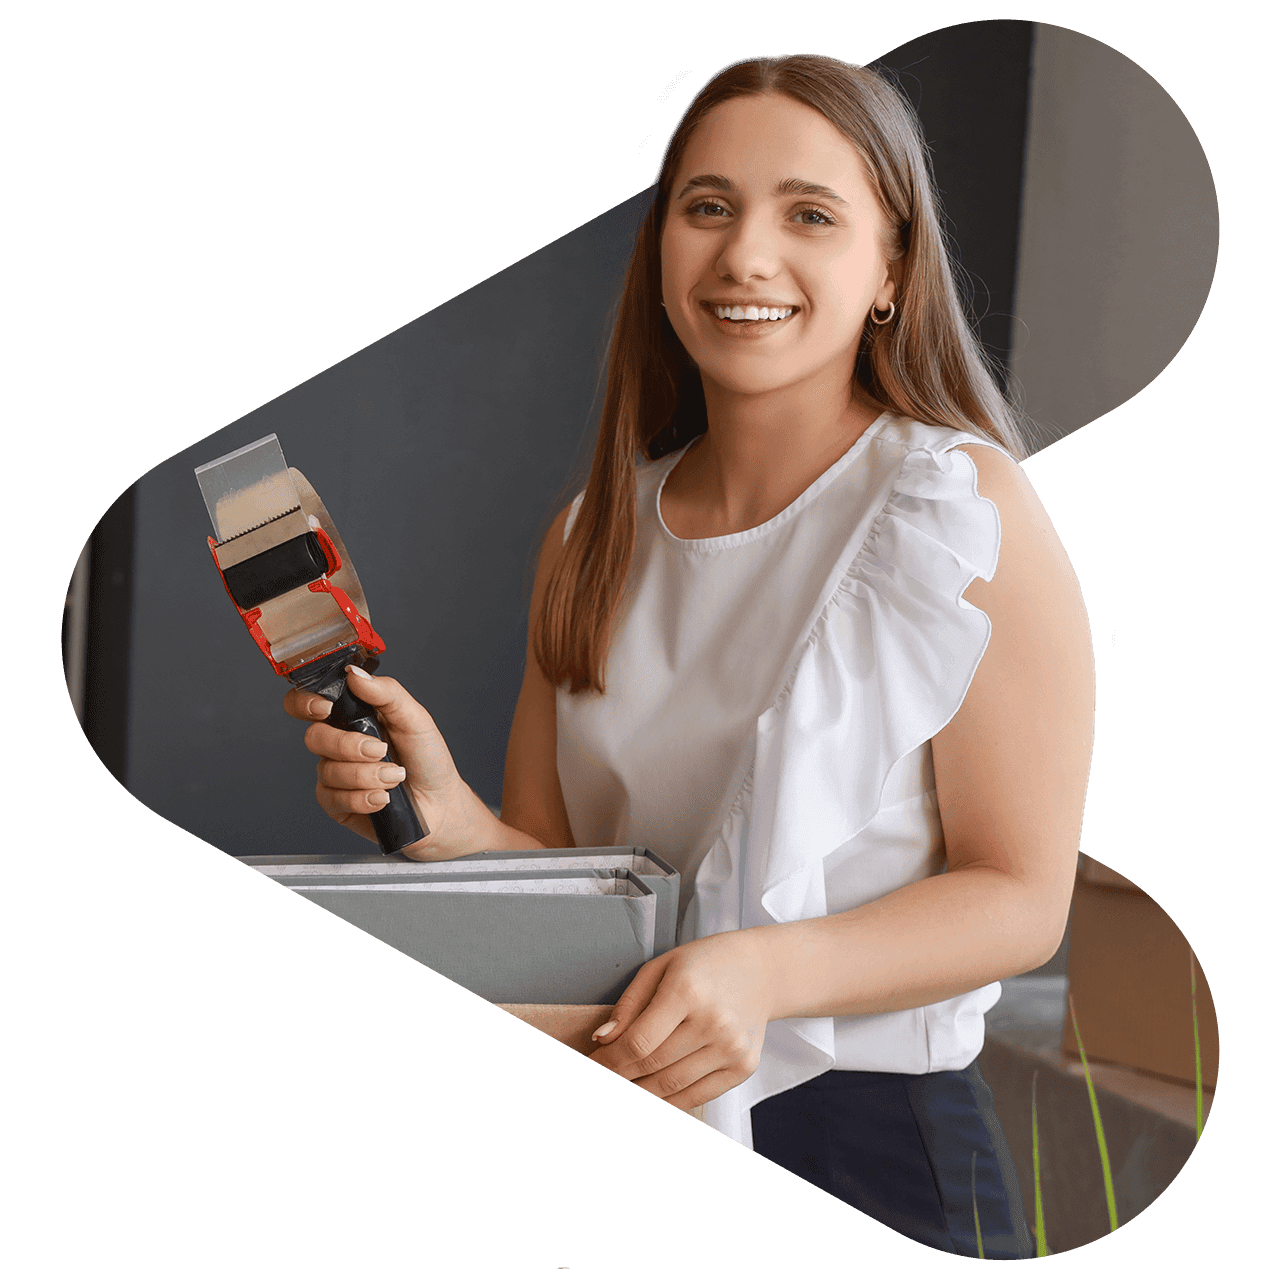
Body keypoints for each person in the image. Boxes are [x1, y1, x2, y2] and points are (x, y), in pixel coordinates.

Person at [284, 55, 1092, 1259]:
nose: (743, 257)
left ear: (891, 269)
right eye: (705, 207)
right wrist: (450, 824)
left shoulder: (959, 507)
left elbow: (1020, 896)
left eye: (808, 214)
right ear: (659, 250)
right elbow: (575, 892)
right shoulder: (586, 537)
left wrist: (762, 974)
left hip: (874, 1151)